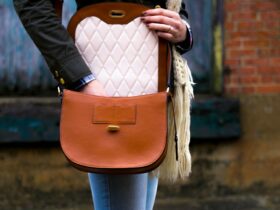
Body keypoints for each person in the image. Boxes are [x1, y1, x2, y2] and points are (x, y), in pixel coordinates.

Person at [13, 0, 193, 210]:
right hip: (105, 86)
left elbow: (175, 7)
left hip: (154, 90)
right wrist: (80, 79)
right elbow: (31, 4)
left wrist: (183, 31)